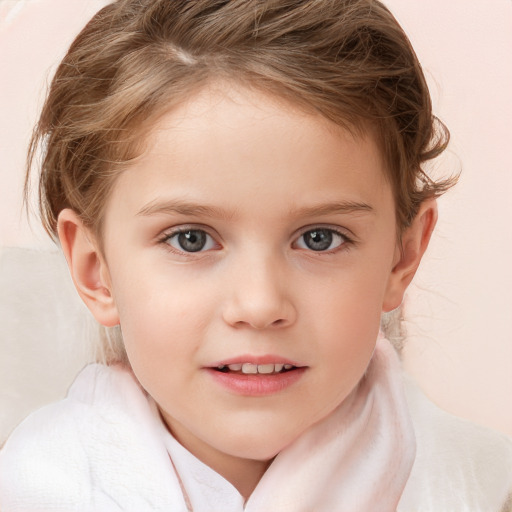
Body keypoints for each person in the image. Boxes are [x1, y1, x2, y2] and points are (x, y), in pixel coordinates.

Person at [0, 0, 511, 510]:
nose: (260, 304)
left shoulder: (482, 488)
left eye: (319, 238)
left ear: (402, 256)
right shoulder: (35, 488)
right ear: (97, 271)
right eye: (191, 239)